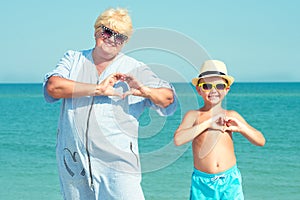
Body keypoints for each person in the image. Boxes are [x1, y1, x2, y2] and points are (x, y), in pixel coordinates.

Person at [43, 7, 177, 200]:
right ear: (97, 30)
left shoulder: (135, 68)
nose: (112, 40)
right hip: (73, 162)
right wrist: (97, 89)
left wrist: (145, 91)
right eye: (108, 32)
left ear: (125, 42)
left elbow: (167, 98)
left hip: (119, 166)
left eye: (120, 37)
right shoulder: (73, 59)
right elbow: (53, 87)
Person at [174, 60, 265, 200]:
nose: (214, 90)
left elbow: (260, 140)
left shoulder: (231, 115)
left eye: (220, 86)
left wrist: (241, 128)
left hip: (230, 181)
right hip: (202, 183)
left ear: (226, 89)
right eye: (207, 86)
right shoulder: (194, 115)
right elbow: (178, 139)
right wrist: (207, 124)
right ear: (199, 90)